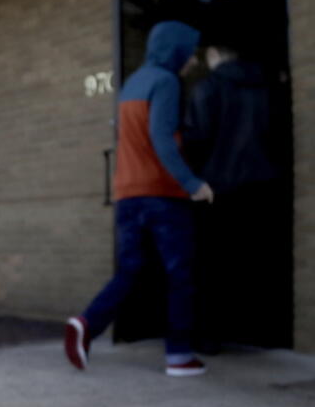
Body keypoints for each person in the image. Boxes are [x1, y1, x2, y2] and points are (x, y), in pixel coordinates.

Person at [64, 21, 212, 377]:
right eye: (189, 52)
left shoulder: (131, 84)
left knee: (130, 271)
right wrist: (193, 183)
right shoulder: (166, 82)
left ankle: (86, 324)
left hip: (127, 195)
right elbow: (162, 139)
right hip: (162, 195)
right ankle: (179, 356)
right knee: (179, 275)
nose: (192, 61)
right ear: (175, 50)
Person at [182, 42, 285, 350]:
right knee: (257, 262)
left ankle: (210, 337)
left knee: (212, 266)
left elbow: (195, 140)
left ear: (213, 54)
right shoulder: (269, 86)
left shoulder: (207, 88)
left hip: (218, 187)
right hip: (264, 184)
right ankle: (261, 331)